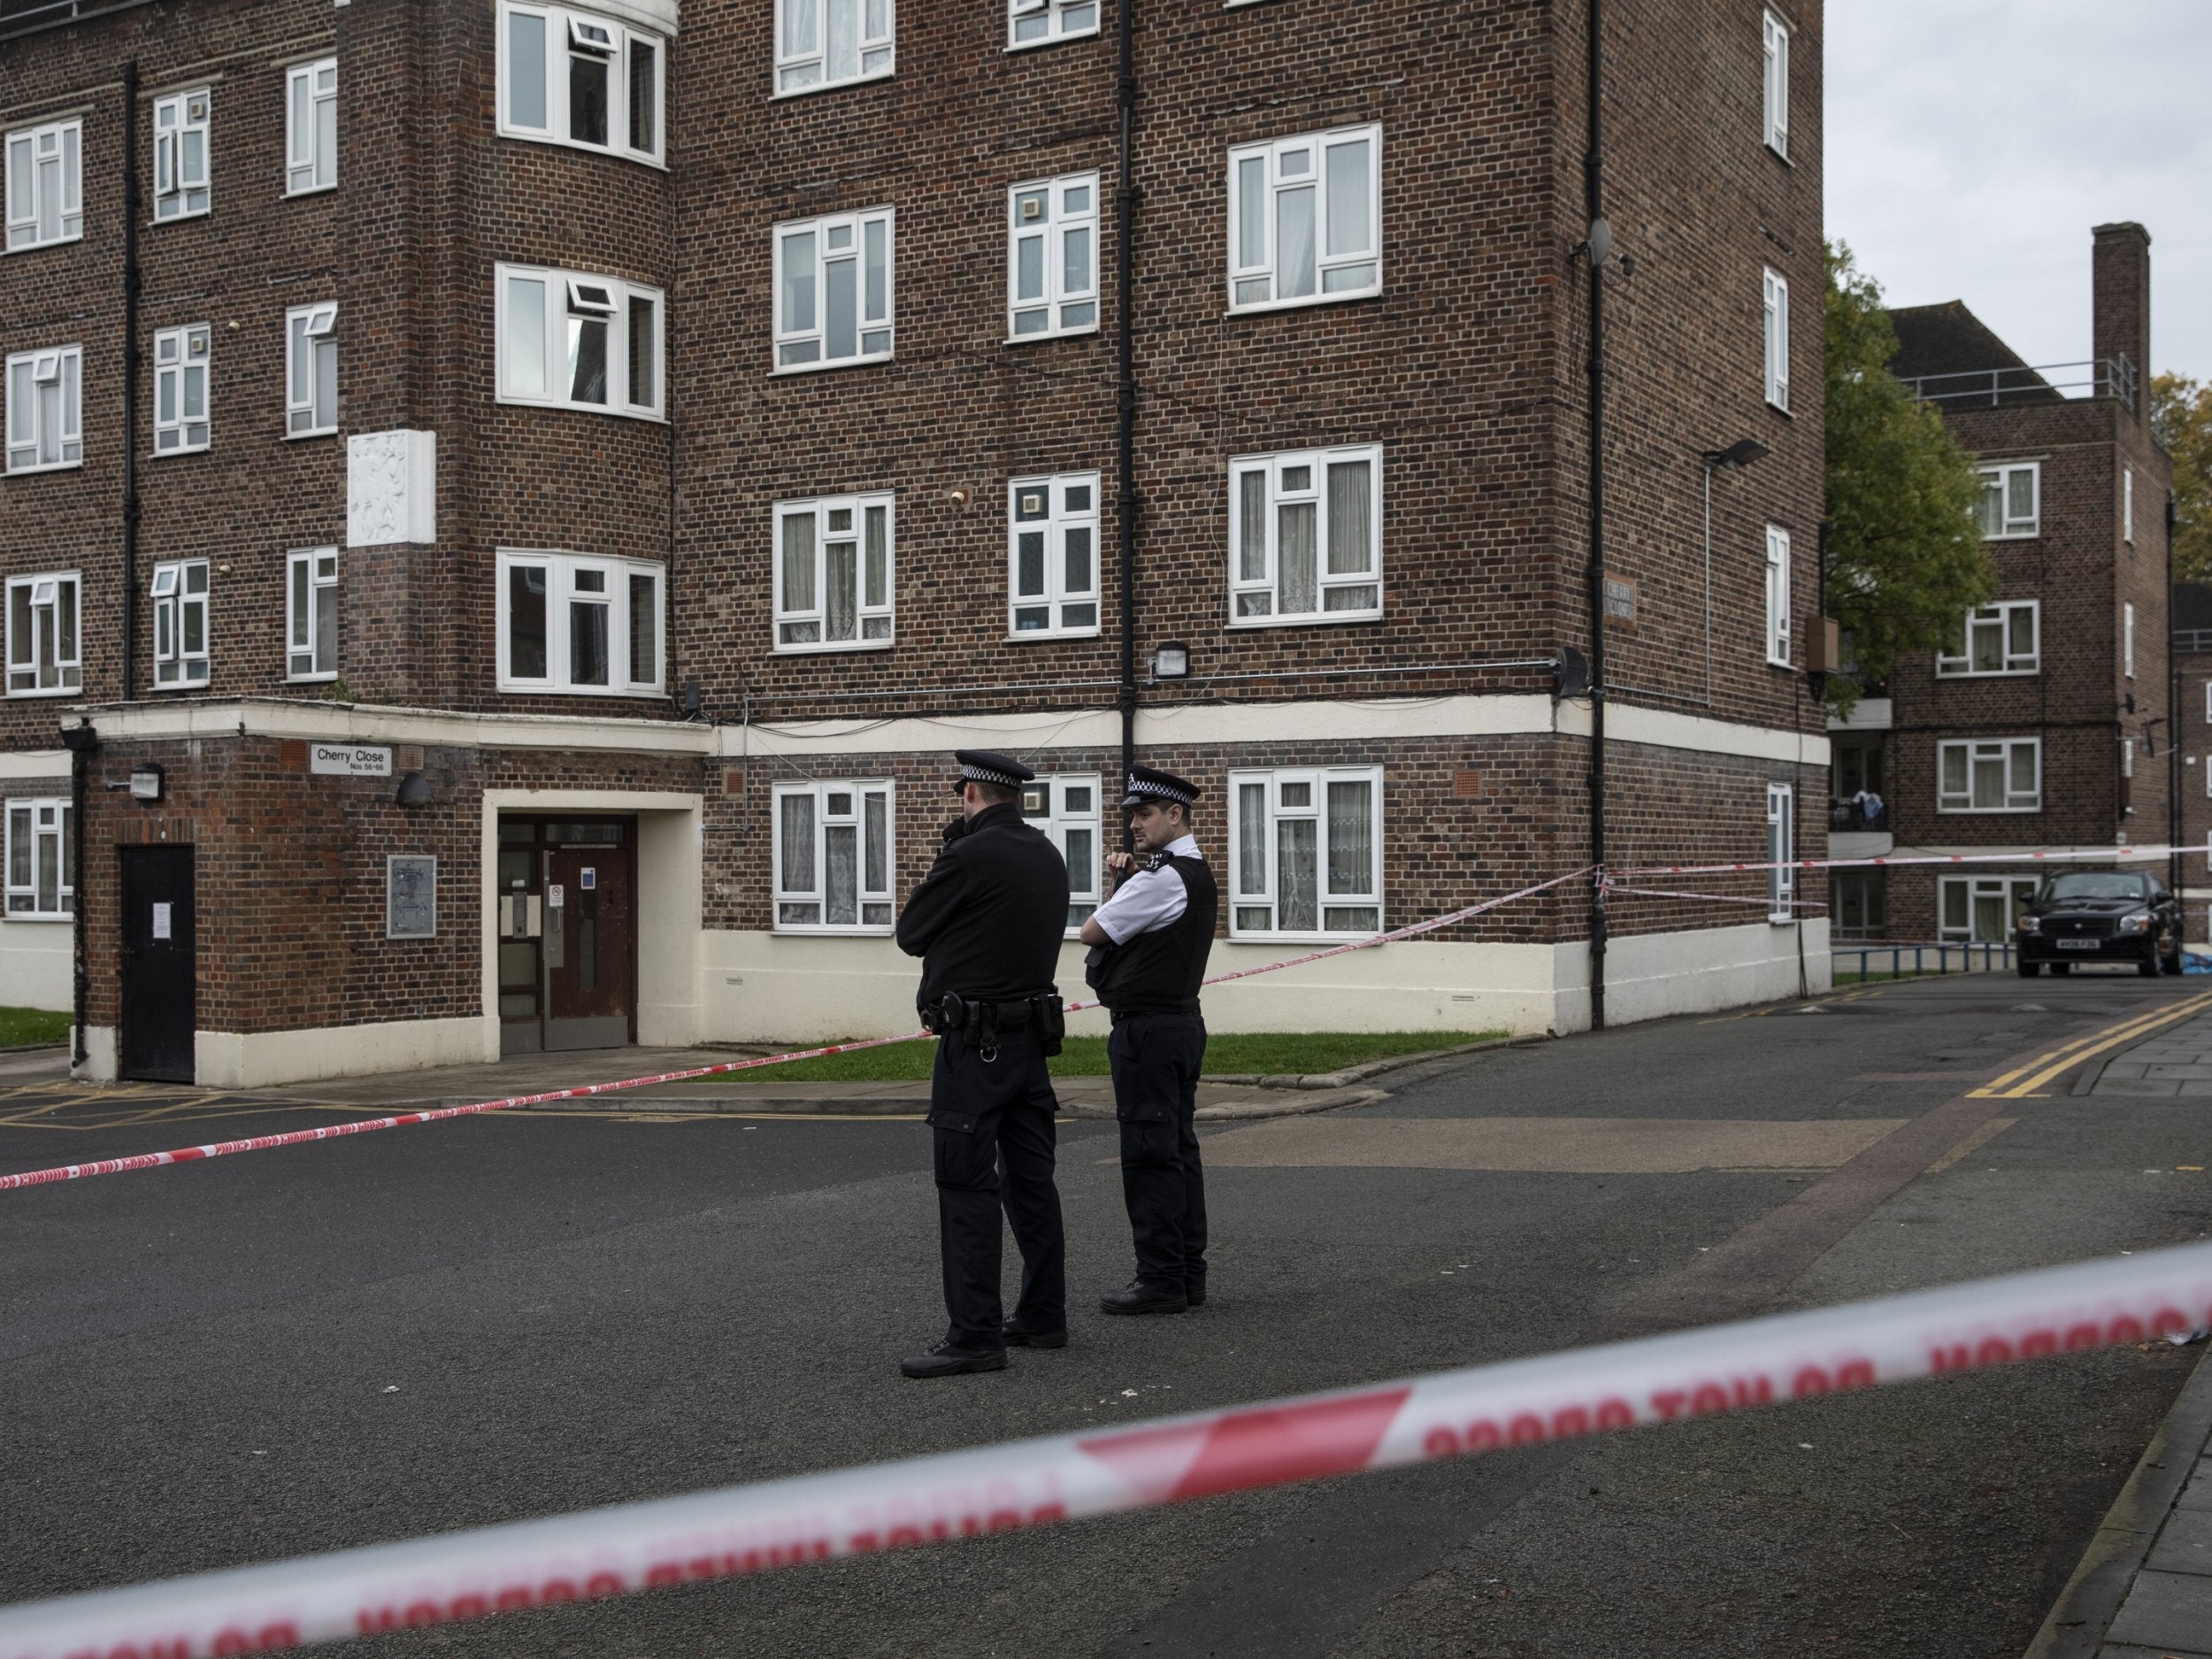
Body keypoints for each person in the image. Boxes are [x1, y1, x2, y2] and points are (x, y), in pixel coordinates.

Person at [893, 749, 1072, 1379]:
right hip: (1031, 1041)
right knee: (1032, 1182)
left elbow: (912, 930)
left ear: (971, 792)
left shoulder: (967, 857)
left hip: (975, 1045)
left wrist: (950, 856)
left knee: (966, 1185)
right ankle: (1044, 1314)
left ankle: (974, 1334)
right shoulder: (1049, 855)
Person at [1079, 764, 1217, 1316]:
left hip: (1148, 1032)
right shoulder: (1190, 872)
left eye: (1144, 814)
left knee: (1148, 1154)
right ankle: (1186, 1274)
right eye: (1133, 815)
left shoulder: (1162, 877)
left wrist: (1127, 884)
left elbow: (1095, 930)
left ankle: (1160, 1279)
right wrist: (1132, 878)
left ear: (1174, 814)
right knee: (1178, 1150)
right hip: (1181, 1024)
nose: (1135, 824)